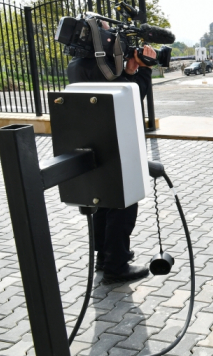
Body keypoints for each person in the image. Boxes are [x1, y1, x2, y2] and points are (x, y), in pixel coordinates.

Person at [67, 20, 156, 282]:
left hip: (95, 142)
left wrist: (127, 71)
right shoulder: (103, 67)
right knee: (123, 203)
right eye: (107, 29)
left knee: (102, 201)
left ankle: (104, 258)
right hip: (118, 143)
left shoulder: (80, 65)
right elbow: (131, 96)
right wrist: (144, 70)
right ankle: (116, 265)